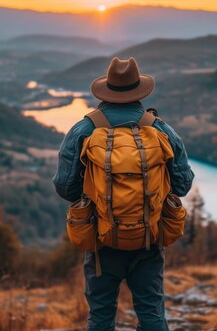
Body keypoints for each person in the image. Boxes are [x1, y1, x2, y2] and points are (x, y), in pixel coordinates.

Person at [53, 57, 194, 331]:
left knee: (101, 316)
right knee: (152, 313)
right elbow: (183, 186)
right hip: (148, 238)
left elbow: (65, 188)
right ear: (140, 90)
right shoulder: (160, 129)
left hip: (101, 240)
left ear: (106, 90)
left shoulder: (83, 130)